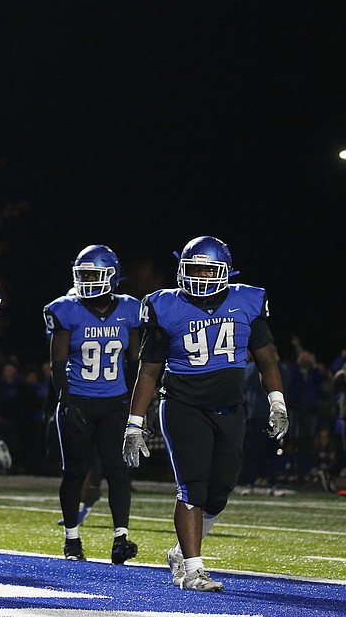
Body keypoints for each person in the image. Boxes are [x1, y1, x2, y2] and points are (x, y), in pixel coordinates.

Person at [123, 236, 289, 592]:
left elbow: (266, 358)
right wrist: (134, 423)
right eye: (192, 268)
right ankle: (194, 568)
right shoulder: (164, 305)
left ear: (226, 272)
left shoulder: (248, 300)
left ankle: (181, 552)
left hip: (230, 409)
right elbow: (148, 370)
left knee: (220, 492)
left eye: (207, 269)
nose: (199, 276)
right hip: (183, 407)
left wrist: (277, 402)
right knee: (192, 487)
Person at [43, 245, 140, 564]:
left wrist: (133, 403)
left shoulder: (130, 309)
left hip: (114, 403)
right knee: (75, 472)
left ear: (112, 276)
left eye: (92, 274)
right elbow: (57, 364)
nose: (86, 281)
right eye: (82, 274)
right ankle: (72, 540)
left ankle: (120, 538)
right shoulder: (66, 309)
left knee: (118, 470)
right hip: (79, 401)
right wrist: (66, 401)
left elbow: (135, 361)